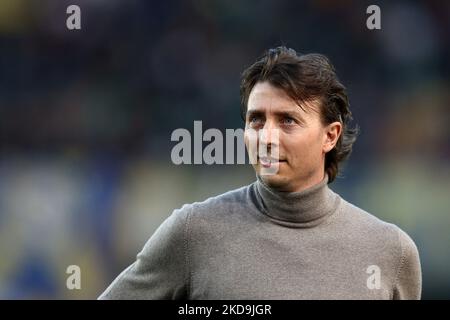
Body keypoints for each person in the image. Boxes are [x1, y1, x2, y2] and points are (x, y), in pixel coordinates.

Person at [99, 46, 421, 299]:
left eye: (287, 121)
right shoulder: (193, 233)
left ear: (330, 135)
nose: (266, 137)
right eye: (256, 120)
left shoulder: (390, 250)